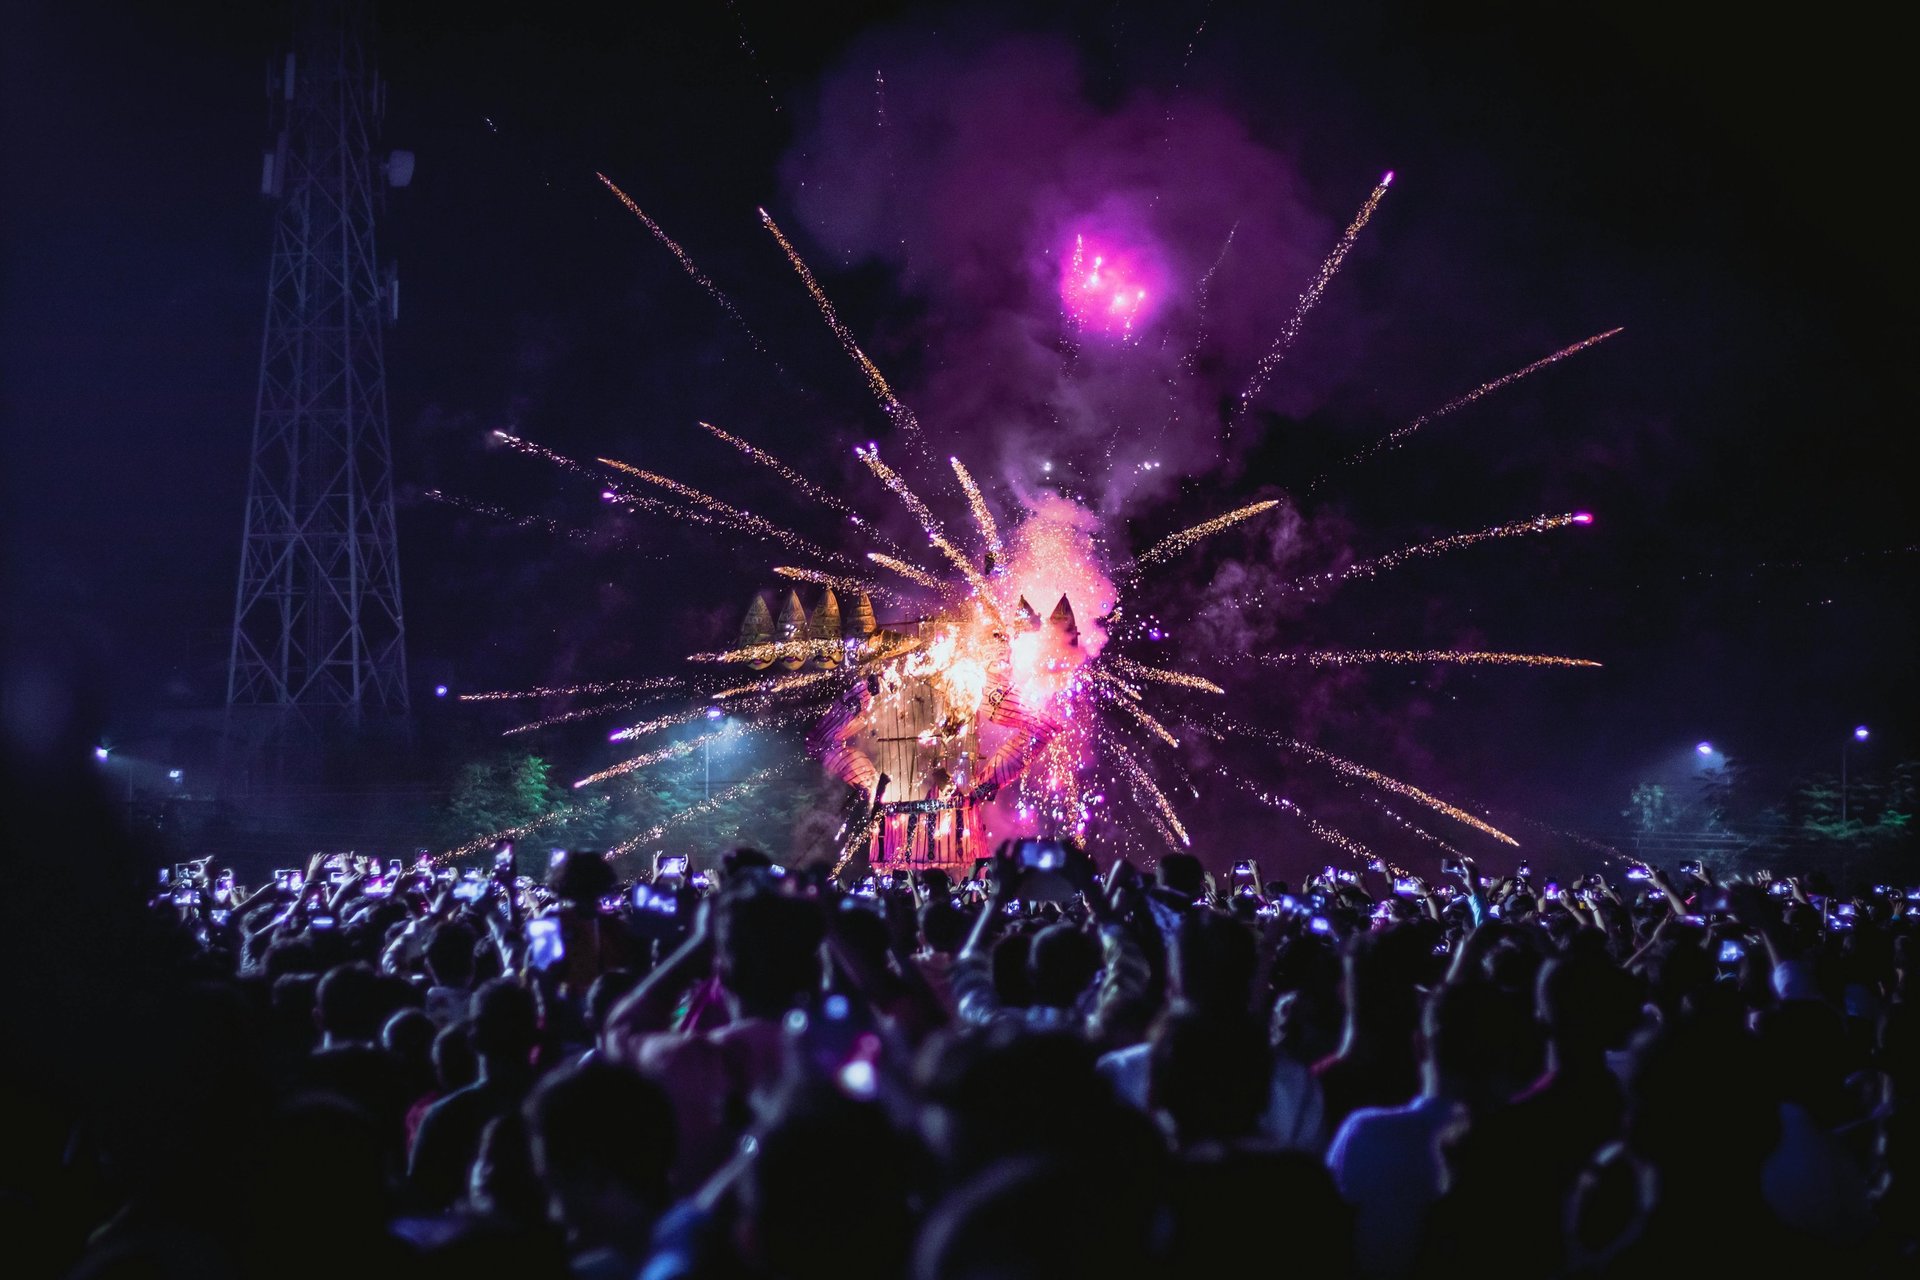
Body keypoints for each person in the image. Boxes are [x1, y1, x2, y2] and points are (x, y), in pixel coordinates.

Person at [410, 978, 542, 1211]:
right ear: (534, 1035)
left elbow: (421, 1207)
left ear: (474, 1037)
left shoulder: (445, 1118)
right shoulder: (563, 1105)